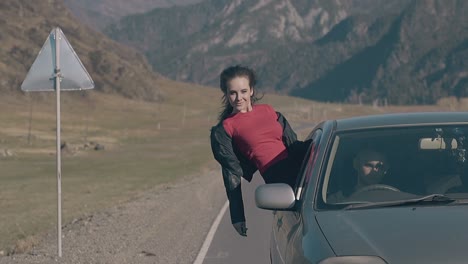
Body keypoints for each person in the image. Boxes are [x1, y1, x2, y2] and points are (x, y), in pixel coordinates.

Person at [210, 65, 308, 237]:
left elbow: (293, 146)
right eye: (233, 93)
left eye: (243, 91)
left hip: (304, 170)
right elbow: (231, 174)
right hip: (279, 181)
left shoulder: (270, 111)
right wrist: (237, 216)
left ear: (251, 91)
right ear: (226, 94)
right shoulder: (225, 128)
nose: (239, 98)